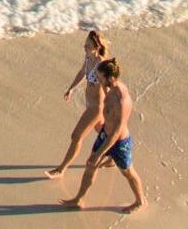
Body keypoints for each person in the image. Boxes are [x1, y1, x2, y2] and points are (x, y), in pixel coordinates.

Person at [60, 58, 144, 213]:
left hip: (119, 142)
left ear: (110, 78)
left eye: (100, 77)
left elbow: (116, 132)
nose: (97, 80)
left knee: (128, 172)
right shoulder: (108, 88)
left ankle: (140, 201)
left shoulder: (122, 100)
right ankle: (79, 198)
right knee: (90, 165)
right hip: (105, 134)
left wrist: (99, 154)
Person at [46, 31, 112, 179]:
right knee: (105, 133)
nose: (84, 47)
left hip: (96, 109)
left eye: (88, 45)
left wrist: (111, 108)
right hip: (89, 104)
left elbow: (107, 88)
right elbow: (82, 73)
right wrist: (71, 88)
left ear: (96, 47)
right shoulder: (88, 58)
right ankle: (113, 157)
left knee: (76, 136)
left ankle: (61, 169)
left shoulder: (101, 64)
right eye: (84, 44)